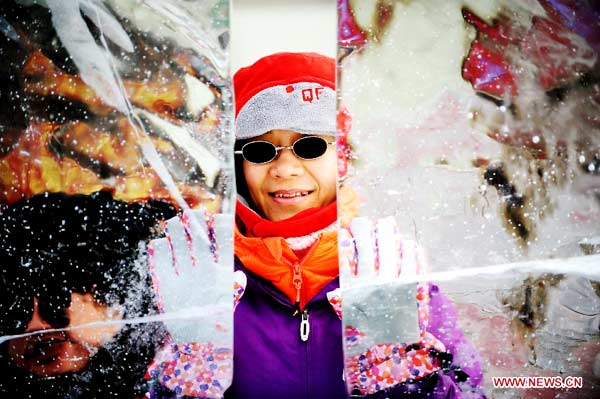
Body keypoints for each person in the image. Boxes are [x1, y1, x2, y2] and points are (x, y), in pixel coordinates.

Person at [225, 52, 485, 398]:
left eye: (311, 145)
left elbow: (471, 390)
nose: (284, 169)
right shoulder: (203, 281)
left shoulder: (390, 272)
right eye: (260, 150)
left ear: (342, 155)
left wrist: (399, 374)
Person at [0, 190, 176, 398]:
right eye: (14, 314)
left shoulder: (186, 366)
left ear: (112, 304)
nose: (34, 326)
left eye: (54, 303)